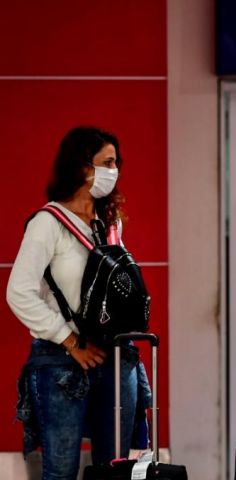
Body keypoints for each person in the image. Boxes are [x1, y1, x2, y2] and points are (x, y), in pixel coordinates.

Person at [7, 126, 150, 479]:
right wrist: (70, 341)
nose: (114, 171)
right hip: (61, 363)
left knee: (115, 470)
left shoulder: (108, 223)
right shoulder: (47, 223)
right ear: (84, 167)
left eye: (117, 163)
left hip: (116, 358)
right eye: (108, 162)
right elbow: (19, 291)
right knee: (61, 471)